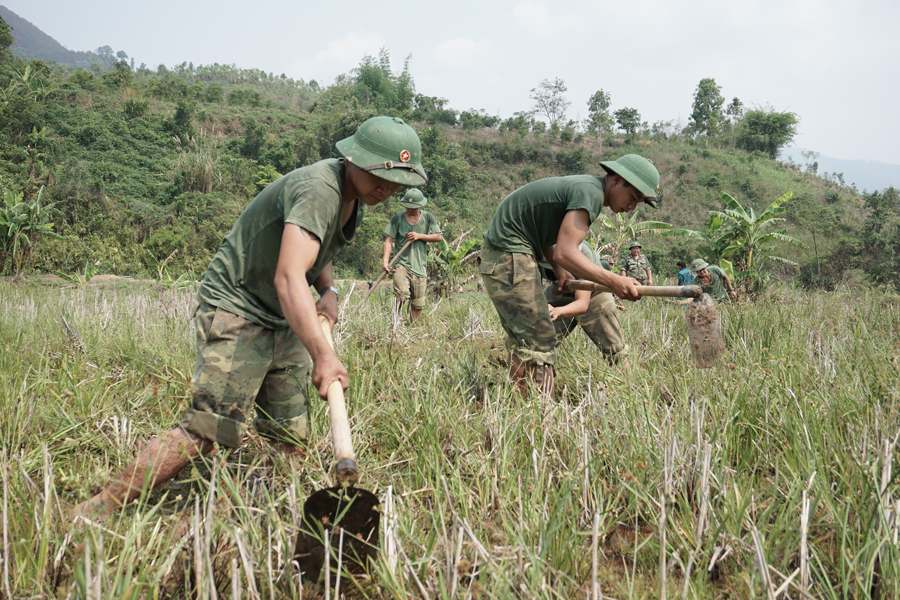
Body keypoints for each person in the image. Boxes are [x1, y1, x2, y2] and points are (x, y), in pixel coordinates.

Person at [74, 116, 427, 520]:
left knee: (290, 436)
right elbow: (289, 275)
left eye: (399, 179)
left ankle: (263, 516)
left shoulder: (355, 197)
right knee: (207, 433)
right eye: (381, 174)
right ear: (353, 159)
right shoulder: (319, 189)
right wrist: (323, 356)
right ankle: (98, 509)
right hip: (238, 307)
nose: (388, 187)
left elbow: (318, 250)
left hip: (283, 315)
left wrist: (327, 291)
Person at [479, 153, 660, 399]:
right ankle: (542, 416)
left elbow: (544, 236)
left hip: (507, 252)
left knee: (524, 339)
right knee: (538, 339)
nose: (631, 207)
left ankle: (520, 407)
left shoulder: (584, 187)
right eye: (633, 197)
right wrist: (615, 281)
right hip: (510, 253)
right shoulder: (591, 193)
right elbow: (566, 251)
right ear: (616, 181)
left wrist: (559, 269)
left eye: (637, 203)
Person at [544, 241, 628, 364]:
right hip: (558, 288)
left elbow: (582, 303)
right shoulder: (534, 247)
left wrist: (557, 311)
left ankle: (625, 379)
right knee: (533, 344)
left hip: (594, 291)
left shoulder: (583, 253)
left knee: (615, 352)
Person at [383, 189, 442, 323]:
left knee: (418, 303)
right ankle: (395, 322)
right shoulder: (397, 219)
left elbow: (438, 237)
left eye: (414, 208)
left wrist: (419, 236)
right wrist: (385, 262)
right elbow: (388, 241)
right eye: (408, 207)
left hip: (420, 267)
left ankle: (413, 329)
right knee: (402, 294)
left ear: (420, 206)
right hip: (401, 264)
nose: (410, 210)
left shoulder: (428, 217)